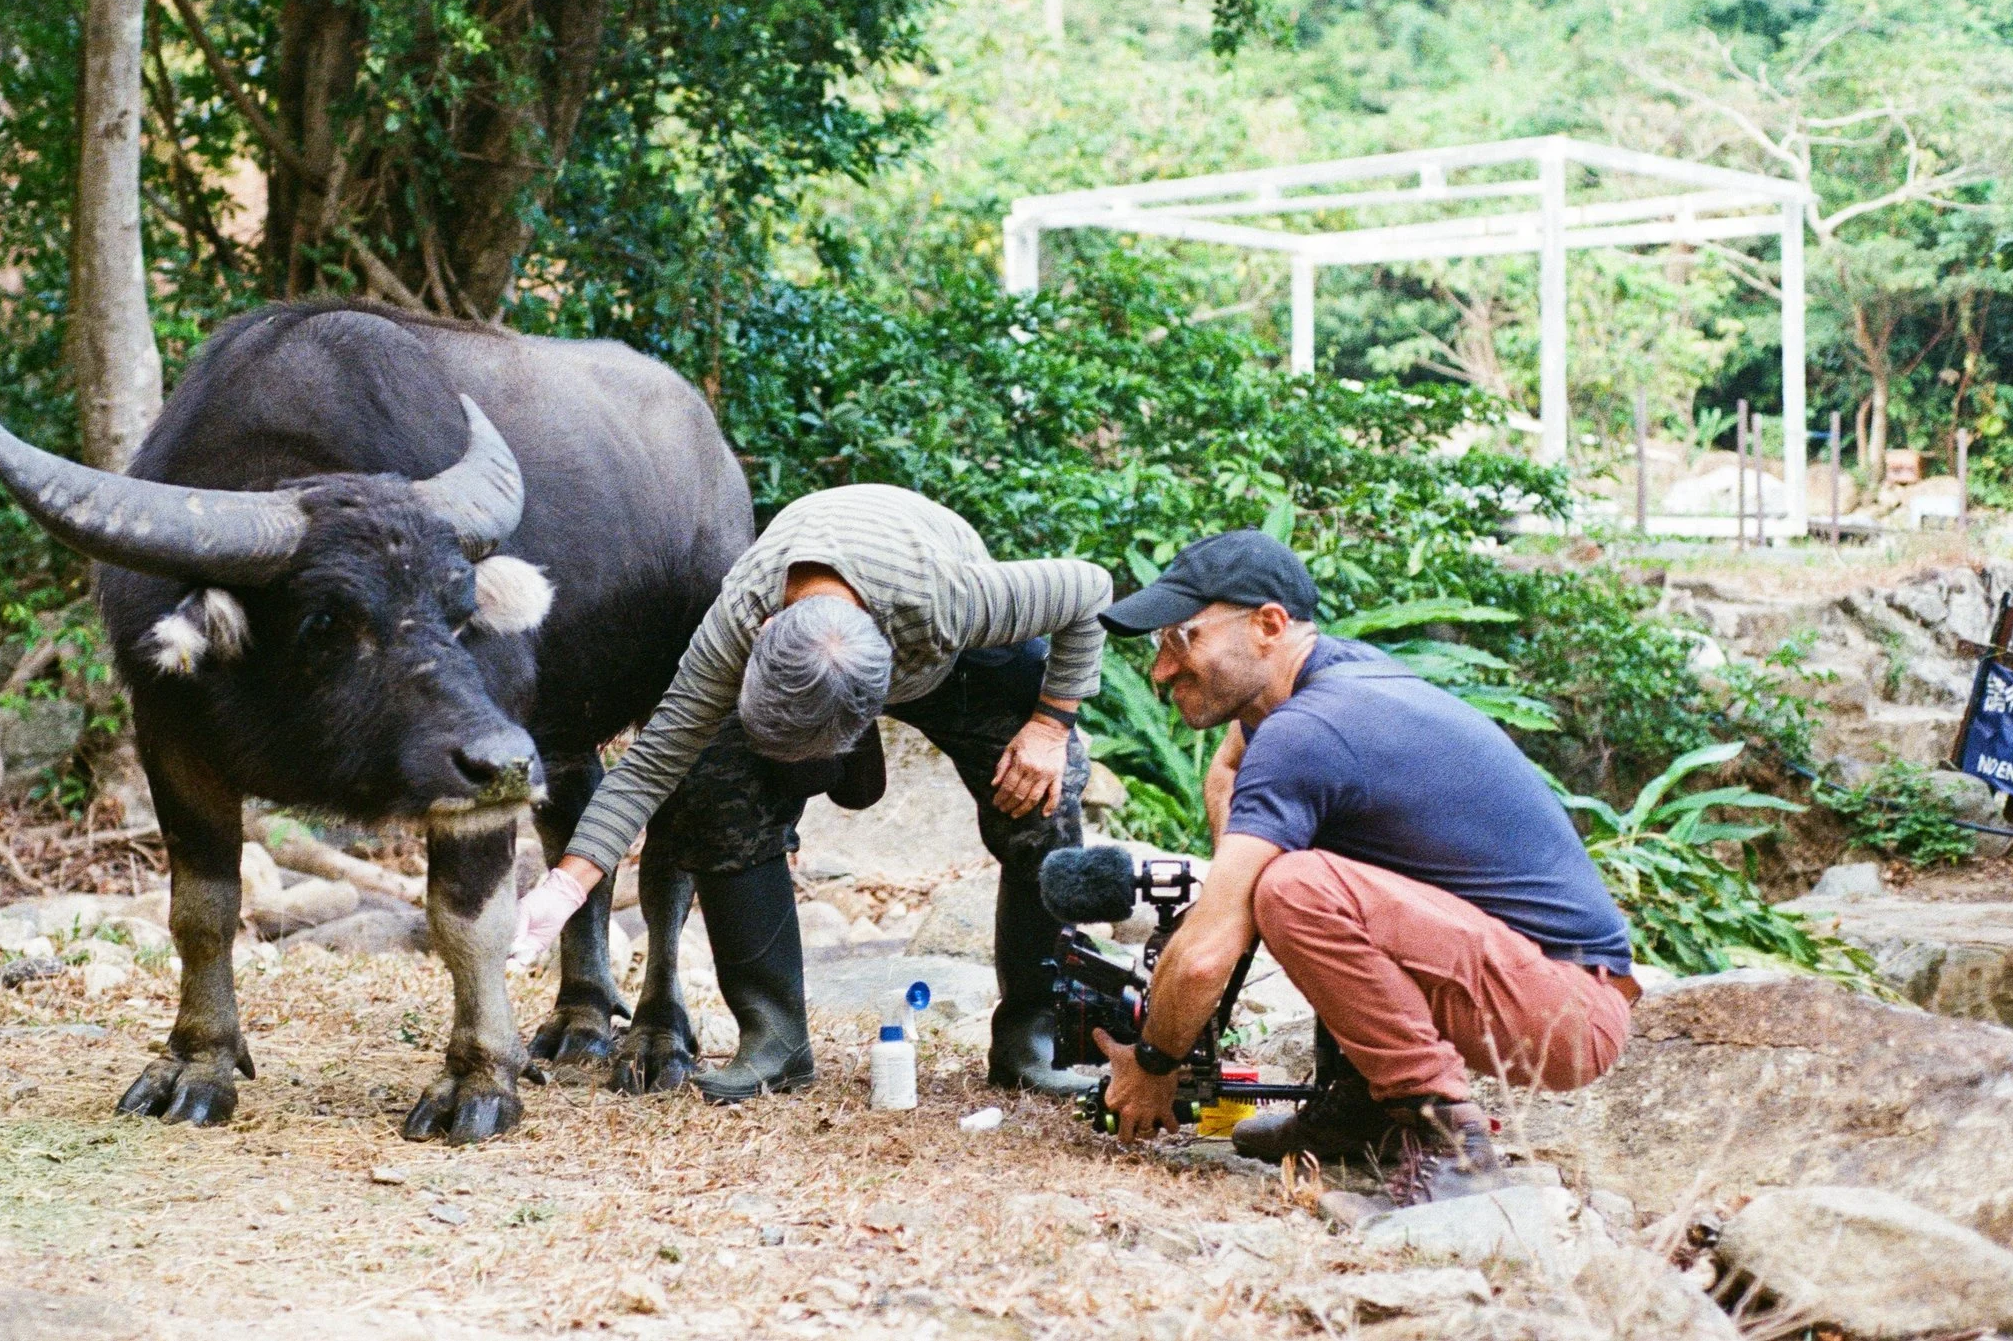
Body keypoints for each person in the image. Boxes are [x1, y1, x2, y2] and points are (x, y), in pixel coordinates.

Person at [509, 482, 1113, 1102]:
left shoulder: (951, 602)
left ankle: (1031, 1038)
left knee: (1048, 791)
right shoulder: (738, 622)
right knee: (712, 785)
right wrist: (562, 890)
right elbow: (648, 766)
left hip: (946, 647)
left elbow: (1089, 590)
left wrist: (1050, 725)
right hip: (817, 652)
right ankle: (775, 1040)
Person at [1088, 530, 1638, 1202]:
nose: (1162, 670)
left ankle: (1448, 1139)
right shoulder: (1327, 683)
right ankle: (1365, 1113)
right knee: (1291, 868)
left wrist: (1153, 1062)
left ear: (1268, 624)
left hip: (1566, 1011)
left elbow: (1205, 954)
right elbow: (1231, 756)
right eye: (1158, 647)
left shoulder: (1307, 730)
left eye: (1182, 639)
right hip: (1544, 982)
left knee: (1293, 888)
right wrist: (1227, 794)